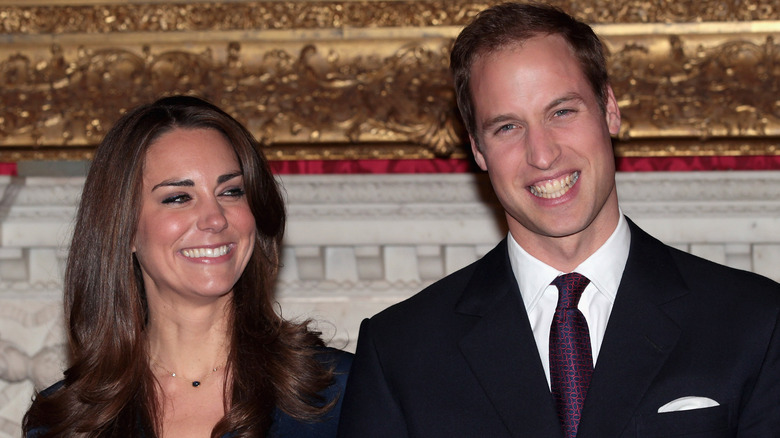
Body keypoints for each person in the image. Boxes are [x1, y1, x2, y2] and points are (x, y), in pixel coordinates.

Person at [337, 3, 780, 437]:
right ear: (477, 148)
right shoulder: (400, 351)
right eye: (507, 127)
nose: (543, 155)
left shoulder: (755, 321)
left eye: (562, 112)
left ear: (609, 109)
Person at [23, 95, 351, 438]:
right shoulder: (63, 422)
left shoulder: (341, 392)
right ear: (125, 230)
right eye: (178, 198)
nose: (214, 218)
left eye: (231, 191)